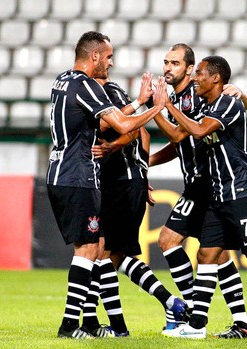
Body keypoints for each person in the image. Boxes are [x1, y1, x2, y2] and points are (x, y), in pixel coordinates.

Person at [47, 31, 167, 339]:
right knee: (88, 248)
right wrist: (156, 107)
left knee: (97, 246)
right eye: (109, 57)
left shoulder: (64, 81)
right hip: (78, 177)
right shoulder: (86, 84)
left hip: (62, 173)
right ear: (95, 56)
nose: (111, 63)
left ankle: (87, 322)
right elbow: (124, 126)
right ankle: (69, 325)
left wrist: (138, 101)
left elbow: (106, 121)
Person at [154, 56, 247, 342]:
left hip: (244, 190)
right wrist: (159, 110)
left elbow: (198, 131)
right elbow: (179, 134)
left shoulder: (228, 104)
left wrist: (167, 106)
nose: (196, 78)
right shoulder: (207, 108)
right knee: (207, 254)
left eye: (199, 73)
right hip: (219, 193)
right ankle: (198, 325)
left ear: (215, 78)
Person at [82, 72, 188, 337]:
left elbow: (132, 130)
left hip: (122, 185)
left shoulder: (110, 92)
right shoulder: (95, 94)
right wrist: (142, 170)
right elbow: (143, 134)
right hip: (119, 184)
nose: (110, 62)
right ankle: (170, 303)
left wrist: (120, 153)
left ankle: (113, 327)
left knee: (103, 256)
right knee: (114, 257)